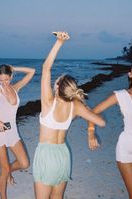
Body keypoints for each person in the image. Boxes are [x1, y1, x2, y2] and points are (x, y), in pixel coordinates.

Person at [33, 31, 106, 199]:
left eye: (56, 80)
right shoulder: (76, 106)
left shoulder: (48, 103)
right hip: (63, 155)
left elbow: (46, 68)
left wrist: (59, 42)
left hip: (46, 155)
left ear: (58, 87)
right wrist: (91, 131)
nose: (54, 82)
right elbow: (100, 121)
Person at [88, 60, 132, 199]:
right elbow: (94, 111)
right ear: (130, 74)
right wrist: (91, 132)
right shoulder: (120, 95)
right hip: (127, 145)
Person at [0, 64, 35, 199]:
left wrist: (14, 67)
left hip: (13, 131)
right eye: (0, 80)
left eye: (6, 79)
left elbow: (32, 72)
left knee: (24, 163)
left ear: (11, 76)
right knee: (3, 171)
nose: (3, 83)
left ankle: (8, 170)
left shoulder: (16, 88)